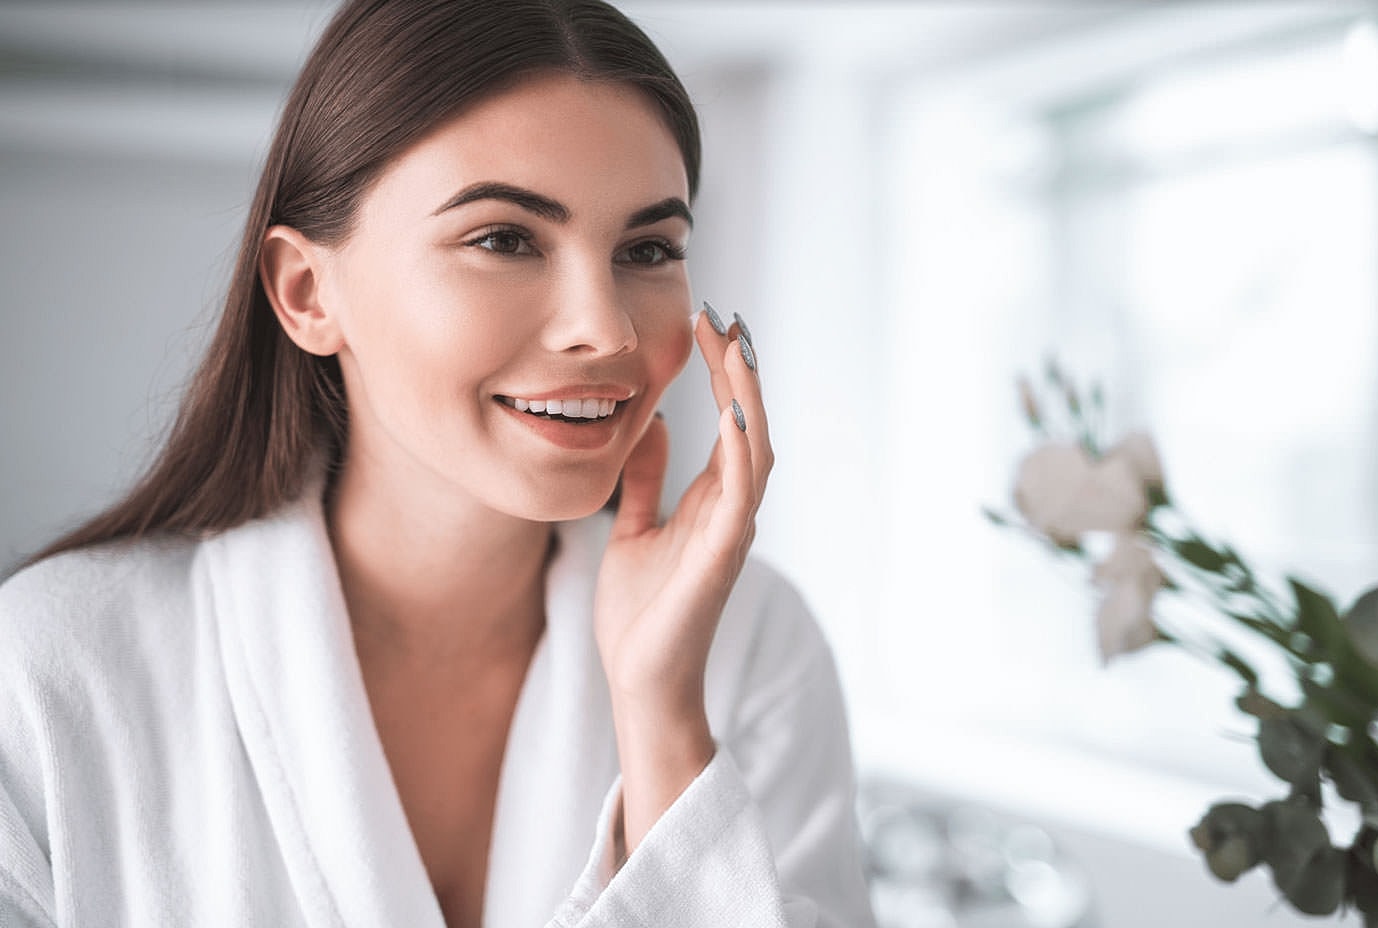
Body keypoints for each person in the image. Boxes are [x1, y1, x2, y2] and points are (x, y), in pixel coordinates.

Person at [0, 1, 875, 925]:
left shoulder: (753, 647)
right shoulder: (50, 670)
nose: (606, 328)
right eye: (504, 239)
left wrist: (661, 719)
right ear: (306, 293)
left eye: (648, 248)